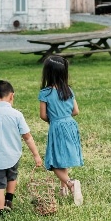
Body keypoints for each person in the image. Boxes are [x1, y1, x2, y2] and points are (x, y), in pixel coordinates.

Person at [0, 80, 43, 216]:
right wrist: (36, 155)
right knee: (12, 176)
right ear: (12, 96)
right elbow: (27, 137)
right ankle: (8, 200)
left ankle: (0, 211)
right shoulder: (17, 115)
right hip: (12, 155)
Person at [38, 55, 84, 206]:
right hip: (71, 125)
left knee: (53, 162)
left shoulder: (45, 93)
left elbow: (43, 115)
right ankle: (63, 188)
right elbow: (76, 111)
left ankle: (71, 183)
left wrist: (55, 120)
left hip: (57, 126)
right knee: (63, 155)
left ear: (47, 73)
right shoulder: (68, 90)